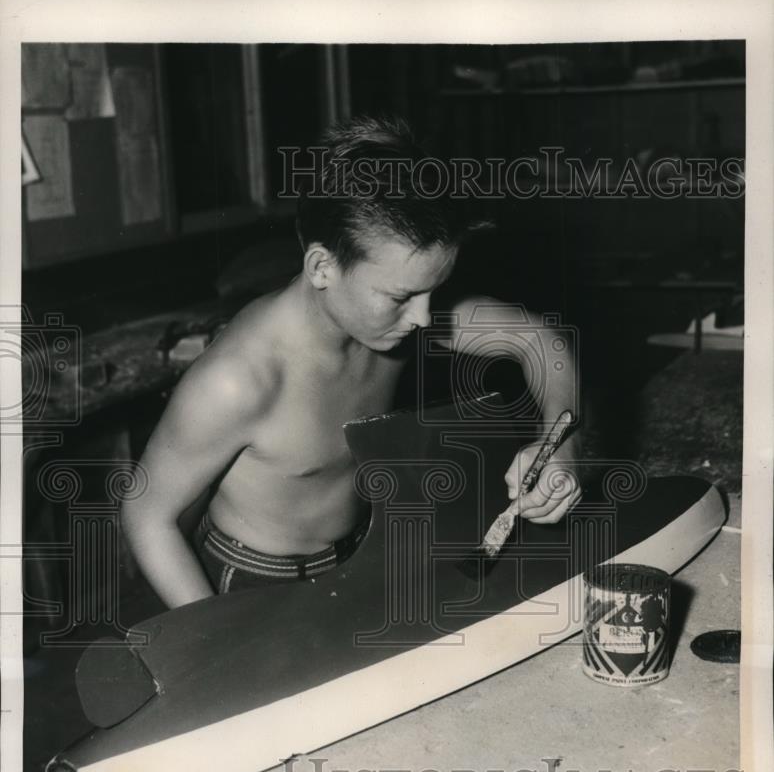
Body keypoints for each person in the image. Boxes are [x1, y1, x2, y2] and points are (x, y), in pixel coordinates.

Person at [121, 116, 581, 608]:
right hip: (252, 584)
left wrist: (561, 442)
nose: (426, 319)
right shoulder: (239, 380)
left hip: (361, 555)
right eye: (401, 296)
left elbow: (542, 340)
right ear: (323, 267)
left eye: (435, 290)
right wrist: (212, 637)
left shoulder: (391, 315)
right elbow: (146, 515)